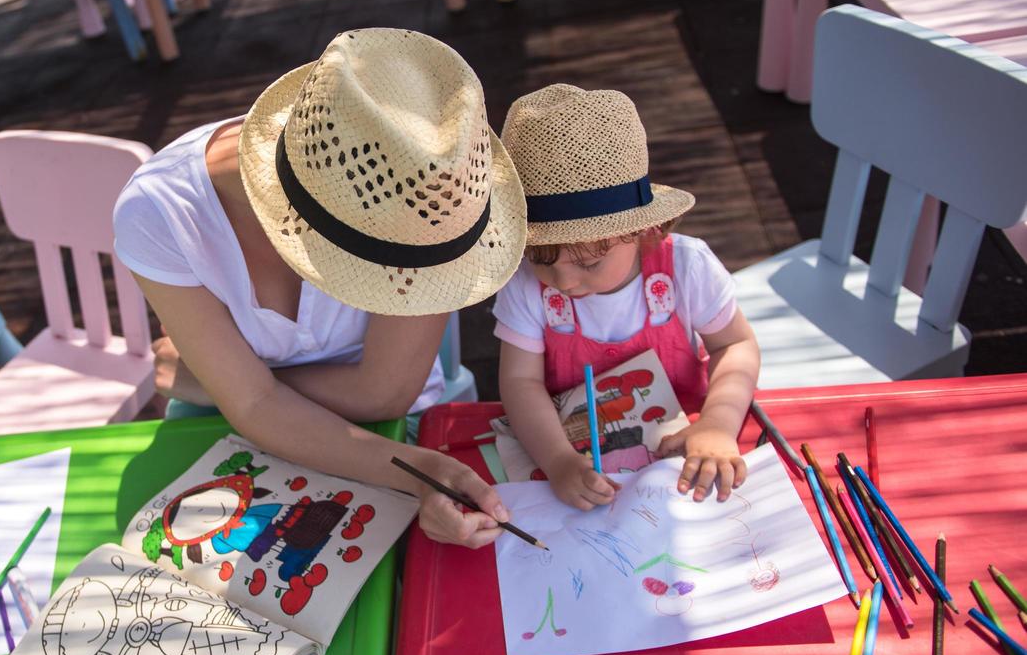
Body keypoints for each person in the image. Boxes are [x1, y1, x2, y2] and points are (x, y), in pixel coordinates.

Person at [113, 28, 527, 548]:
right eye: (380, 270)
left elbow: (386, 393)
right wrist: (243, 397)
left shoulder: (428, 190)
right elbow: (262, 405)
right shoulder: (159, 213)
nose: (395, 281)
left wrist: (222, 387)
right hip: (238, 448)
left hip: (381, 432)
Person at [493, 84, 760, 509]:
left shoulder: (686, 268)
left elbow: (735, 344)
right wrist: (558, 460)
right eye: (542, 258)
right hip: (576, 458)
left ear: (644, 230)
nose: (562, 282)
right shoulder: (526, 283)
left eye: (588, 264)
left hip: (687, 447)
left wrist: (718, 423)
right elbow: (520, 382)